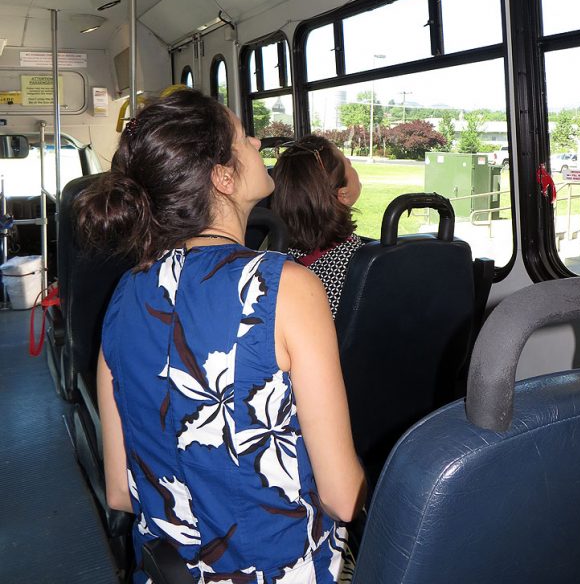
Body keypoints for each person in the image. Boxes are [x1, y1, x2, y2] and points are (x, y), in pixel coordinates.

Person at [75, 89, 365, 583]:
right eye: (242, 136)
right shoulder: (286, 287)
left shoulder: (126, 293)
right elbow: (343, 496)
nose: (256, 140)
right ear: (223, 176)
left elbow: (121, 492)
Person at [271, 135, 365, 319]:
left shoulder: (276, 252)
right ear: (343, 194)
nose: (350, 161)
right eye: (347, 162)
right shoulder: (357, 264)